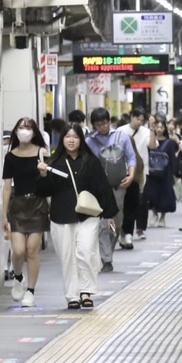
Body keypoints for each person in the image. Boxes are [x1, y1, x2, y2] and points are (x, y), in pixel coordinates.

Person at [35, 124, 119, 309]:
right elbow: (43, 191)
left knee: (86, 252)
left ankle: (86, 291)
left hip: (87, 215)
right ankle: (72, 295)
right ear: (62, 139)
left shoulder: (91, 161)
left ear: (81, 139)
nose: (71, 140)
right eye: (67, 136)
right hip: (61, 216)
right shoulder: (54, 163)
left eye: (75, 137)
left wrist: (109, 214)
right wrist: (42, 175)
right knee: (67, 256)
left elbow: (102, 188)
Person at [2, 117, 51, 307]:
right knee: (18, 251)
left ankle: (30, 291)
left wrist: (44, 172)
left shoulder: (41, 152)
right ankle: (18, 276)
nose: (25, 130)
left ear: (34, 131)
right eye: (21, 127)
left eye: (28, 127)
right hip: (18, 205)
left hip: (38, 204)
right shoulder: (10, 156)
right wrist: (3, 214)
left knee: (32, 250)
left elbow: (50, 182)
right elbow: (6, 187)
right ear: (15, 131)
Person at [85, 107, 137, 272]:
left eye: (105, 123)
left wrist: (131, 175)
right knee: (102, 224)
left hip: (118, 186)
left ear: (110, 121)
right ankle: (106, 259)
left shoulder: (122, 137)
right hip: (99, 188)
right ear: (94, 125)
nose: (103, 127)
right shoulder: (89, 141)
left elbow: (131, 157)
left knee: (116, 222)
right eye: (99, 125)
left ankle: (109, 252)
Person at [116, 107, 152, 243]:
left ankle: (128, 235)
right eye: (138, 119)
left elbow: (153, 145)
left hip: (135, 180)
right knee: (121, 208)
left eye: (142, 120)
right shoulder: (120, 131)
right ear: (132, 117)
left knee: (132, 206)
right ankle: (122, 234)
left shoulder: (139, 160)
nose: (140, 122)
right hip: (119, 179)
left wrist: (153, 128)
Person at [144, 118, 178, 228]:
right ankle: (154, 214)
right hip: (152, 172)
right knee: (152, 194)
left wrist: (174, 174)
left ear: (165, 129)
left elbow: (172, 159)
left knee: (165, 195)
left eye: (161, 127)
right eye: (157, 127)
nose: (159, 129)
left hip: (166, 174)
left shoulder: (170, 143)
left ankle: (162, 217)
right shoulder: (151, 140)